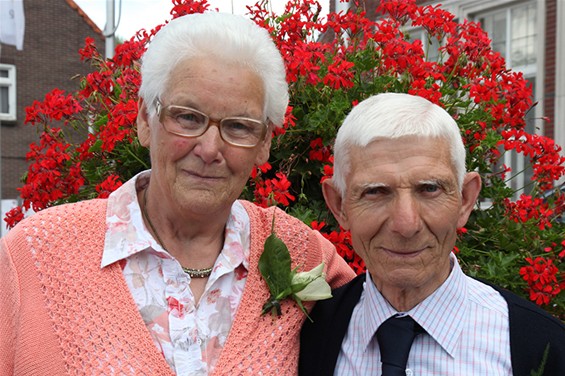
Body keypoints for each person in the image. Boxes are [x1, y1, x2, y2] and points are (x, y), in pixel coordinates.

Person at [0, 13, 355, 375]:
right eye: (187, 117)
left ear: (264, 143)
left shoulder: (304, 256)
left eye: (237, 126)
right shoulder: (34, 256)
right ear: (143, 119)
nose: (209, 148)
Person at [299, 93, 565, 375]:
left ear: (465, 199)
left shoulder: (543, 348)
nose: (406, 224)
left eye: (429, 189)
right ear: (339, 205)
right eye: (375, 192)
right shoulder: (304, 335)